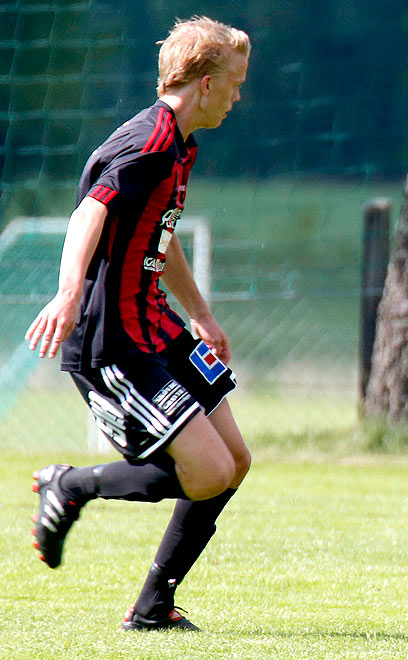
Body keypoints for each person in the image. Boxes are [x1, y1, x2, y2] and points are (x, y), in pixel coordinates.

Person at [25, 16, 251, 632]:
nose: (238, 96)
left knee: (234, 459)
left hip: (157, 323)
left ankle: (154, 606)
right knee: (206, 471)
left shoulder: (180, 144)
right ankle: (70, 485)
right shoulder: (147, 142)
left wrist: (201, 314)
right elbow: (90, 212)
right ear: (203, 84)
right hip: (113, 340)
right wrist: (69, 291)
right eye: (233, 83)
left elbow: (160, 233)